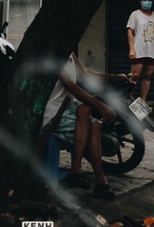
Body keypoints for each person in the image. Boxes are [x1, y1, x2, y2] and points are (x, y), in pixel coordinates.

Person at [41, 53, 122, 200]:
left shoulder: (71, 55)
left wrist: (112, 77)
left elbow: (85, 74)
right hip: (53, 112)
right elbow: (70, 85)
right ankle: (82, 173)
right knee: (87, 117)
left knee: (95, 124)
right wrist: (100, 105)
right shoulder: (55, 55)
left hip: (69, 106)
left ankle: (97, 179)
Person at [126, 0, 154, 102]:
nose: (147, 2)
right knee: (135, 76)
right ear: (140, 1)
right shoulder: (135, 14)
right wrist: (132, 48)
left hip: (152, 51)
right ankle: (126, 99)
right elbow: (130, 30)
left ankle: (143, 101)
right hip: (139, 50)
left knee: (147, 76)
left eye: (149, 0)